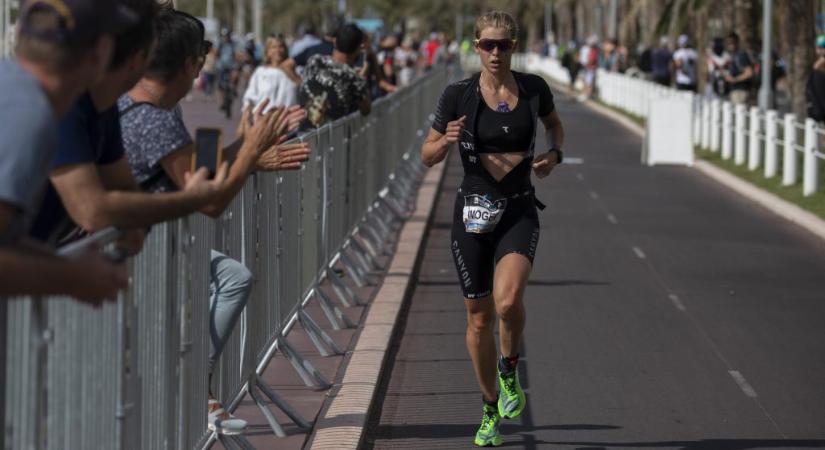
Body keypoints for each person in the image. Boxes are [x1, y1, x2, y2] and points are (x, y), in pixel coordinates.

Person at [118, 9, 309, 435]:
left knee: (233, 276)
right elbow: (209, 199)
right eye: (202, 56)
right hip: (139, 252)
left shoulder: (148, 107)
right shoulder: (153, 116)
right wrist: (251, 154)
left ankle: (195, 381)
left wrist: (246, 148)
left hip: (155, 242)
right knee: (146, 346)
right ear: (191, 63)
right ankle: (192, 389)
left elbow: (195, 173)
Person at [420, 11, 564, 447]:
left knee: (509, 300)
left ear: (514, 46)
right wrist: (444, 141)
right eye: (487, 45)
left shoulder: (534, 89)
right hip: (472, 215)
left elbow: (554, 126)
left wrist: (554, 155)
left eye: (503, 45)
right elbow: (426, 156)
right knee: (478, 318)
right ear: (476, 47)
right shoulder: (458, 95)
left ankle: (508, 368)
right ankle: (488, 407)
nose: (495, 53)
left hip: (519, 209)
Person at [29, 0, 227, 252]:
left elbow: (123, 187)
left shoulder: (105, 107)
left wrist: (136, 223)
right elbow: (93, 211)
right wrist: (186, 201)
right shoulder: (66, 106)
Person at [0, 0, 137, 302]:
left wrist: (68, 268)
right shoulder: (28, 113)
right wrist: (74, 277)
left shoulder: (11, 90)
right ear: (101, 51)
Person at [299, 23, 371, 128]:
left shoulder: (315, 60)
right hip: (333, 140)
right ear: (358, 50)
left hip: (303, 136)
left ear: (334, 41)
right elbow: (366, 110)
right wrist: (362, 75)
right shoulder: (355, 79)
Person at [242, 37, 300, 114]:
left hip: (289, 119)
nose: (278, 50)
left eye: (281, 47)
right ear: (267, 52)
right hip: (264, 119)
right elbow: (250, 96)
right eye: (274, 47)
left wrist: (290, 72)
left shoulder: (295, 70)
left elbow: (301, 90)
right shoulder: (261, 72)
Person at [724, 32, 754, 105]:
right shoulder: (733, 56)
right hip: (734, 90)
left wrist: (735, 79)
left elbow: (749, 72)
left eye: (732, 42)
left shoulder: (740, 55)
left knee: (740, 114)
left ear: (737, 42)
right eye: (728, 43)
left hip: (740, 91)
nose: (730, 45)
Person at [806, 35, 825, 122]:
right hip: (819, 109)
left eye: (823, 47)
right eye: (819, 47)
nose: (822, 51)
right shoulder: (816, 66)